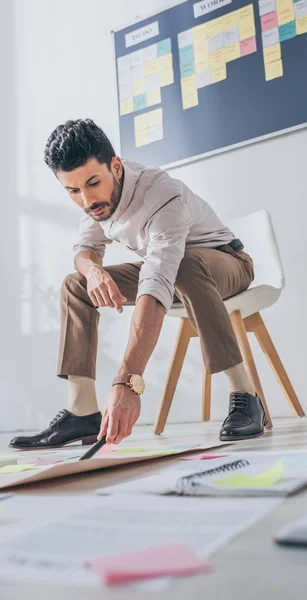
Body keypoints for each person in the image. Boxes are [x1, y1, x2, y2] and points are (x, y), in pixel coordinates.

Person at [10, 119, 267, 450]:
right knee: (76, 285)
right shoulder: (92, 198)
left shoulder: (160, 195)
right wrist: (92, 271)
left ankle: (245, 394)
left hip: (225, 262)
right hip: (174, 272)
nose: (87, 200)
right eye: (73, 191)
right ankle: (82, 412)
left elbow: (156, 282)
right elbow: (84, 250)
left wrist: (127, 382)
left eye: (92, 183)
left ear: (115, 167)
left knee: (184, 268)